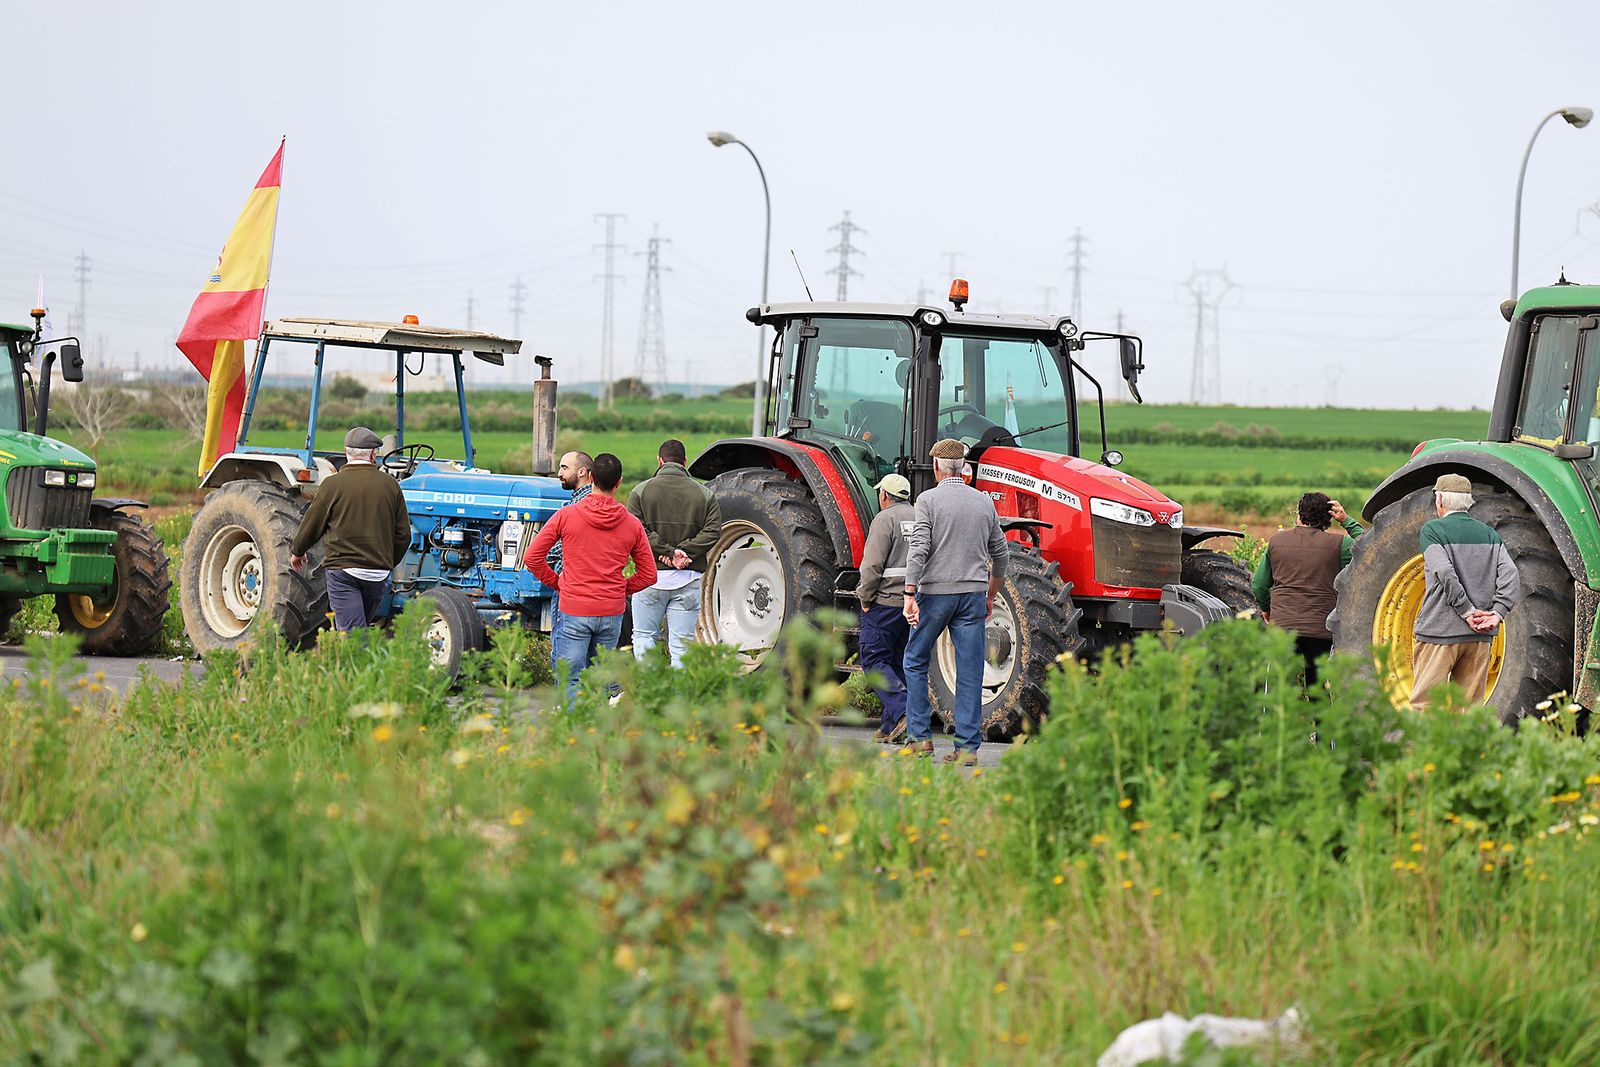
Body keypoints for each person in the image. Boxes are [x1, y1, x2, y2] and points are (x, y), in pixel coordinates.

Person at [900, 439, 1009, 766]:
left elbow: (919, 548)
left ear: (936, 467)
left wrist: (909, 593)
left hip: (935, 595)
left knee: (915, 660)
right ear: (963, 467)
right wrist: (990, 595)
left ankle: (920, 739)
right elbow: (1001, 555)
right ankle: (966, 749)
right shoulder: (984, 503)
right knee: (970, 670)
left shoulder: (928, 500)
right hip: (973, 596)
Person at [525, 453, 657, 700]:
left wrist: (559, 583)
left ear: (591, 477)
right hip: (611, 611)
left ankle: (574, 729)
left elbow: (532, 557)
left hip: (575, 607)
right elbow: (649, 574)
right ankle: (603, 727)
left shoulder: (567, 515)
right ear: (619, 483)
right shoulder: (631, 524)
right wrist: (620, 589)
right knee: (603, 676)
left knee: (571, 677)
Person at [1410, 473, 1521, 711]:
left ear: (1439, 499)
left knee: (1427, 707)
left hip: (1439, 634)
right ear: (1468, 502)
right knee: (1469, 712)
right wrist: (1496, 614)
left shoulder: (1432, 530)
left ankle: (1427, 751)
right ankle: (1468, 751)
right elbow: (1511, 575)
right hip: (1479, 638)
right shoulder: (1489, 534)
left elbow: (1443, 571)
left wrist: (1466, 611)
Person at [290, 426, 411, 630]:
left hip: (343, 572)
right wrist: (386, 562)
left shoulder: (332, 485)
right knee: (359, 630)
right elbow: (403, 536)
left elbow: (313, 523)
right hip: (377, 574)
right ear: (373, 454)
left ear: (347, 453)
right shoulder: (391, 485)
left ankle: (351, 661)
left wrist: (298, 551)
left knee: (354, 637)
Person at [1250, 491, 1364, 686]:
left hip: (1283, 627)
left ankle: (1282, 717)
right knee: (1318, 689)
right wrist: (1346, 521)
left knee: (1278, 689)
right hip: (1321, 629)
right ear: (1329, 518)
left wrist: (1267, 610)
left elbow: (1259, 585)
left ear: (1299, 515)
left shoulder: (1276, 542)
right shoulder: (1341, 546)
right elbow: (1369, 547)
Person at [626, 439, 722, 667]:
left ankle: (649, 694)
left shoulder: (640, 492)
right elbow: (713, 531)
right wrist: (683, 552)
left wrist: (668, 552)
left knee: (644, 637)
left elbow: (636, 531)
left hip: (650, 579)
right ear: (685, 462)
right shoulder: (705, 494)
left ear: (660, 461)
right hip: (688, 579)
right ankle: (679, 700)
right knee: (682, 646)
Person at [856, 473, 915, 743]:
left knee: (873, 659)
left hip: (884, 603)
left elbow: (871, 567)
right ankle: (890, 726)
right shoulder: (919, 517)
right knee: (898, 662)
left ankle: (904, 710)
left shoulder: (884, 519)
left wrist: (865, 598)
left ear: (884, 496)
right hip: (911, 604)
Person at [545, 450, 594, 672]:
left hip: (569, 584)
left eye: (565, 468)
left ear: (582, 471)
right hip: (597, 587)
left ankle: (565, 700)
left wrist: (553, 579)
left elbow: (551, 550)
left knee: (562, 645)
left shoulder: (573, 508)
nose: (559, 473)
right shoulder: (596, 501)